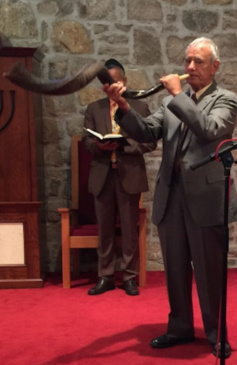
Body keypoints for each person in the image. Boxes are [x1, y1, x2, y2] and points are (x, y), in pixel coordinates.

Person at [103, 37, 237, 358]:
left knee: (209, 271)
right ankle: (179, 327)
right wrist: (124, 108)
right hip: (171, 195)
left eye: (199, 62)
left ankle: (216, 333)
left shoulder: (226, 99)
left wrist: (178, 96)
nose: (190, 67)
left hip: (206, 198)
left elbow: (208, 128)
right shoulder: (170, 104)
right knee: (175, 269)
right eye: (187, 61)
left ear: (215, 67)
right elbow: (148, 132)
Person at [83, 59, 154, 297]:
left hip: (129, 174)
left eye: (113, 81)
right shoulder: (94, 108)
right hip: (103, 175)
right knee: (104, 230)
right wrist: (98, 146)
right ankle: (105, 276)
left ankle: (130, 277)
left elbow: (150, 142)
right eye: (105, 83)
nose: (109, 87)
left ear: (123, 82)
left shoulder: (140, 108)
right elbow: (86, 141)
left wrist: (124, 147)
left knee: (129, 229)